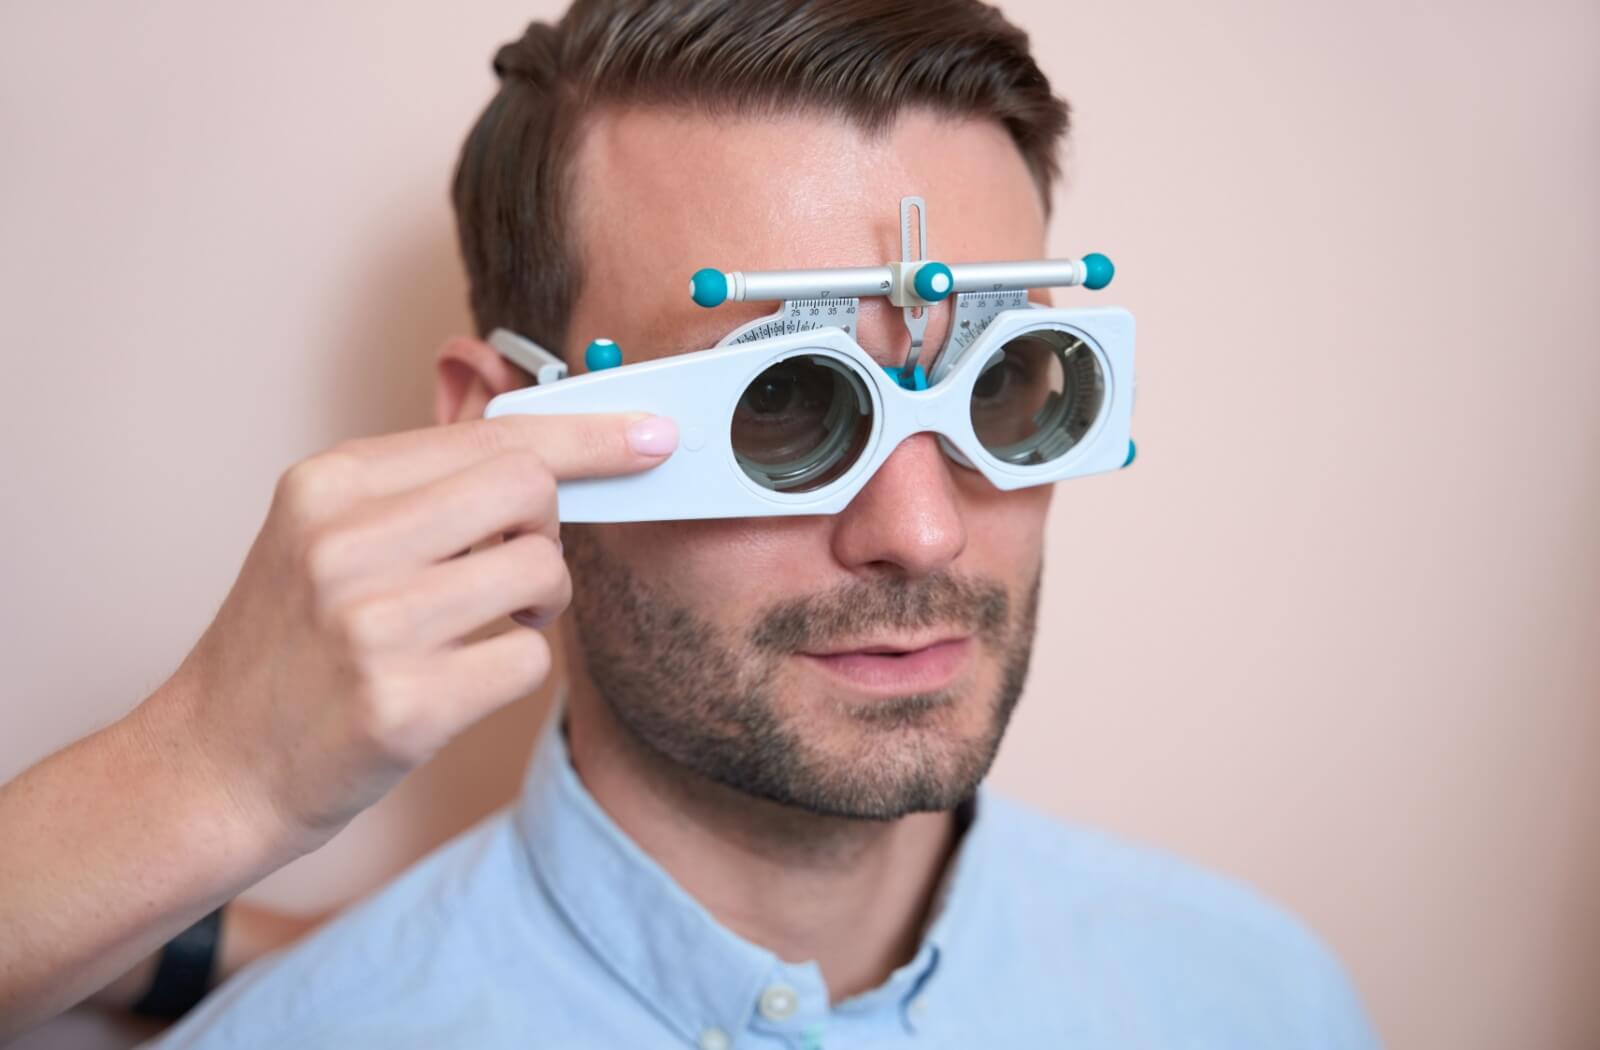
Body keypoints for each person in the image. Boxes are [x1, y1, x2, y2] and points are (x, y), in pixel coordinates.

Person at [2, 1, 1381, 1047]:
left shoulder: (1262, 998)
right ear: (497, 432)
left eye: (1006, 384)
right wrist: (203, 774)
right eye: (781, 405)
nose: (921, 532)